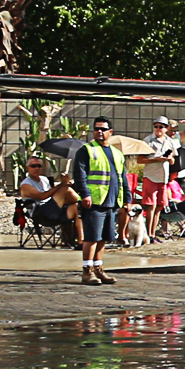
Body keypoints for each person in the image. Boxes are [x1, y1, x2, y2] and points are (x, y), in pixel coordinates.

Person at [72, 116, 129, 285]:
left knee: (104, 237)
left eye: (103, 129)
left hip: (112, 201)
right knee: (91, 237)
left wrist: (127, 198)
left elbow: (122, 178)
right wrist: (85, 194)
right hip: (95, 200)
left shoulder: (117, 153)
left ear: (110, 132)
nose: (100, 132)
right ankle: (87, 270)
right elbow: (80, 175)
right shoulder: (86, 150)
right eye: (97, 129)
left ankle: (98, 268)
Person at [137, 116, 185, 243]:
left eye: (161, 127)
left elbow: (173, 159)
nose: (158, 129)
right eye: (156, 126)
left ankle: (152, 234)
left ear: (166, 128)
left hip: (163, 178)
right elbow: (140, 160)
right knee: (151, 206)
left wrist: (168, 158)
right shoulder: (148, 140)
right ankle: (148, 235)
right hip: (150, 177)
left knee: (159, 207)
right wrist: (158, 159)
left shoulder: (170, 141)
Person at [18, 156, 83, 244]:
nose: (37, 168)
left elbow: (53, 194)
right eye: (33, 166)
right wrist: (61, 185)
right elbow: (42, 196)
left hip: (54, 211)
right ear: (27, 168)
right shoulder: (26, 185)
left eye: (39, 166)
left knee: (77, 208)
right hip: (41, 213)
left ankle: (81, 241)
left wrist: (66, 183)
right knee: (65, 190)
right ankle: (86, 202)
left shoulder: (44, 179)